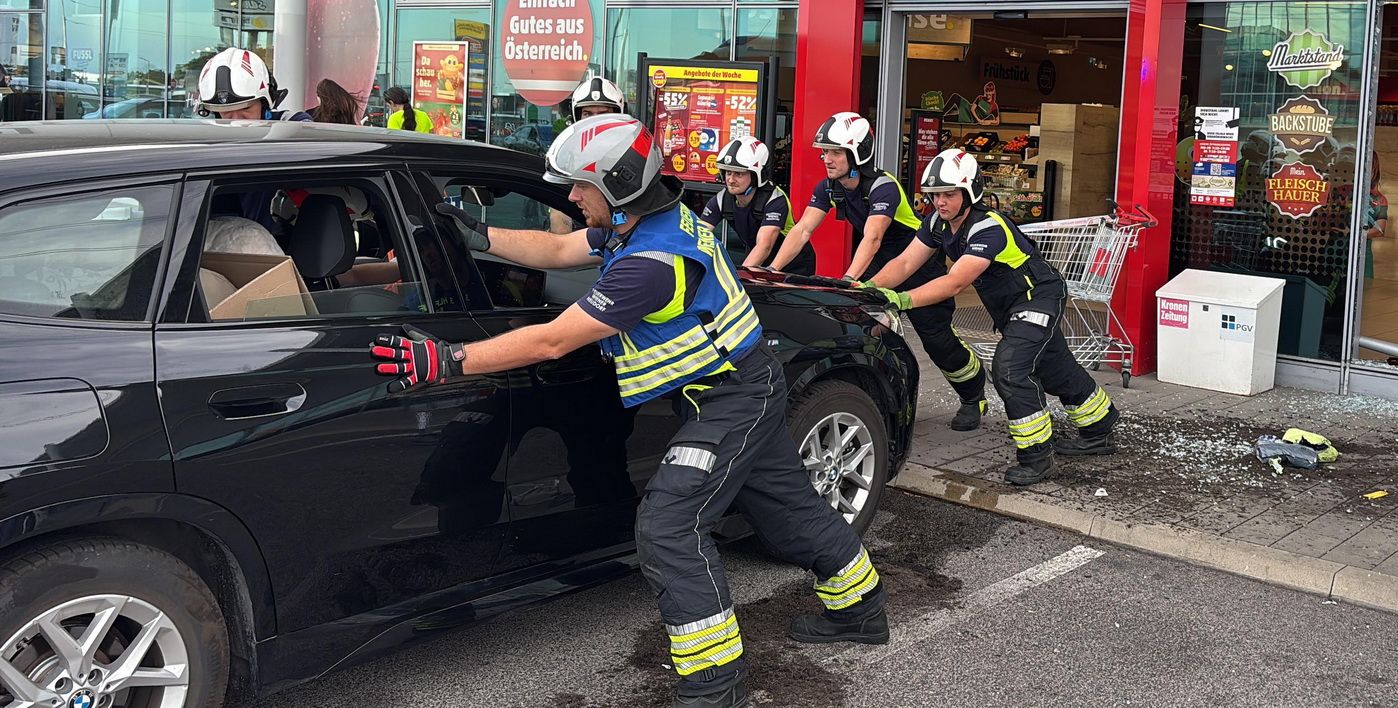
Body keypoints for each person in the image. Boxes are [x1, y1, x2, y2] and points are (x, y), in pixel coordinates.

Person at [371, 114, 888, 708]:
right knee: (789, 506)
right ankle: (861, 613)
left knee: (669, 527)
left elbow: (552, 341)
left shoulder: (651, 266)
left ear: (615, 185)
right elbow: (564, 247)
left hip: (734, 397)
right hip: (742, 387)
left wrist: (446, 361)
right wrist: (481, 237)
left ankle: (714, 688)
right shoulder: (641, 222)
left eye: (579, 185)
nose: (569, 196)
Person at [866, 149, 1120, 486]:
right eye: (935, 195)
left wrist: (902, 300)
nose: (940, 202)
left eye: (949, 194)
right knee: (1054, 367)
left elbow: (955, 281)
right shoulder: (936, 224)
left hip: (1038, 295)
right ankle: (1100, 426)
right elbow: (905, 263)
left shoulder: (988, 227)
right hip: (1011, 304)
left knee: (1011, 366)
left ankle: (1036, 456)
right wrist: (865, 288)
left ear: (970, 191)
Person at [766, 113, 989, 431]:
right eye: (824, 151)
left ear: (857, 153)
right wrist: (771, 269)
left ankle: (973, 394)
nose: (825, 158)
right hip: (881, 261)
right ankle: (873, 398)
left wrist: (848, 282)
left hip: (917, 262)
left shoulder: (883, 187)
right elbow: (802, 230)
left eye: (835, 152)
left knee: (936, 340)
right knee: (862, 327)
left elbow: (872, 237)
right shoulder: (830, 186)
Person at [701, 136, 815, 273]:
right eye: (728, 172)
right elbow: (700, 234)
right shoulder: (722, 199)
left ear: (756, 176)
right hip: (758, 260)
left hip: (794, 264)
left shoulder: (774, 199)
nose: (731, 180)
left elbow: (764, 245)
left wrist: (738, 278)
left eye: (738, 174)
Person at [195, 47, 313, 122]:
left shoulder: (292, 123)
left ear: (264, 103)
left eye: (246, 108)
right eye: (226, 111)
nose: (236, 119)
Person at [1363, 154, 1389, 282]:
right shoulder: (1341, 191)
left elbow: (1380, 230)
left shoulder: (1380, 200)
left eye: (1370, 167)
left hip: (1363, 254)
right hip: (1335, 253)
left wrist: (1355, 235)